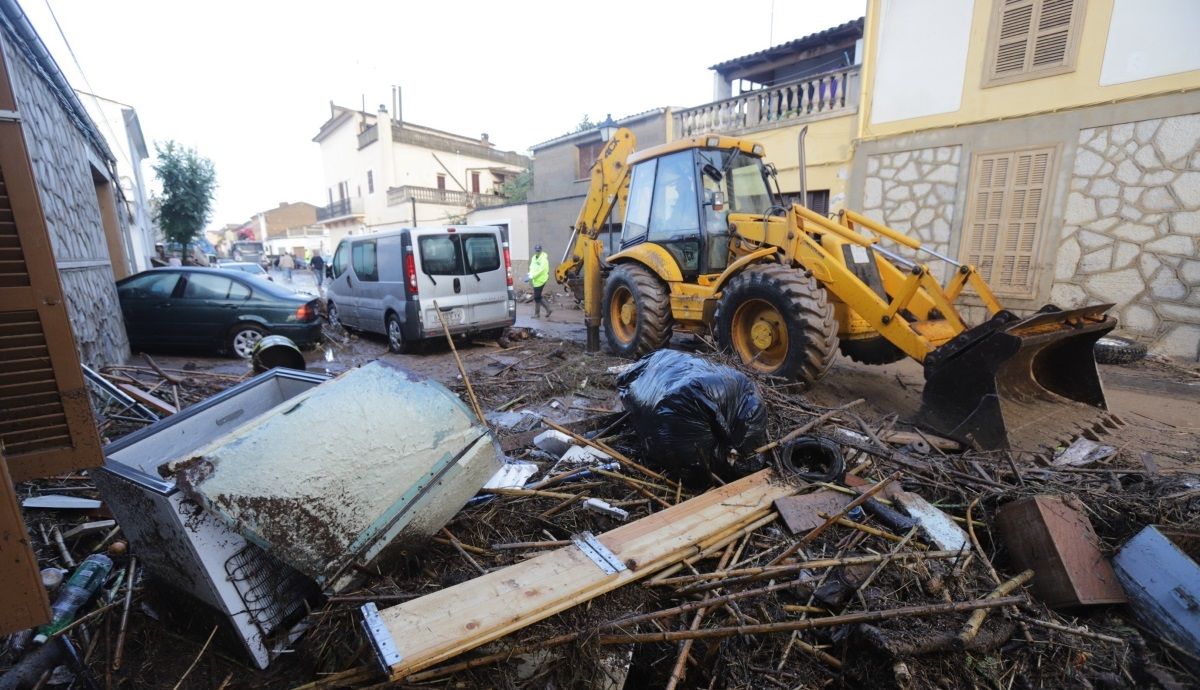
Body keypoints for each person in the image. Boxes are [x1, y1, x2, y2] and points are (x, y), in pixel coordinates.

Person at [527, 244, 552, 318]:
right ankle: (542, 312)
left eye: (539, 251)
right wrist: (529, 274)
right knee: (537, 296)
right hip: (536, 280)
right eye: (536, 250)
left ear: (541, 250)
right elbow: (532, 267)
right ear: (535, 250)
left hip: (541, 279)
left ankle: (542, 312)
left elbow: (541, 270)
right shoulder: (534, 258)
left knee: (537, 296)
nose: (537, 252)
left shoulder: (544, 259)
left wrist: (532, 276)